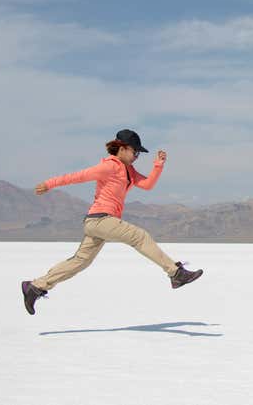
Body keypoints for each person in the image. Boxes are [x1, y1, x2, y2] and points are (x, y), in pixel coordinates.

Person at [21, 129, 203, 315]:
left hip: (100, 223)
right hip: (100, 219)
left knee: (80, 262)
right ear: (122, 148)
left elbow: (147, 185)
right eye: (135, 152)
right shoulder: (109, 166)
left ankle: (35, 287)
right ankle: (175, 273)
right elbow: (78, 176)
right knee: (139, 236)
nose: (136, 156)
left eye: (138, 153)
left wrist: (158, 165)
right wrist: (49, 184)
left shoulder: (129, 170)